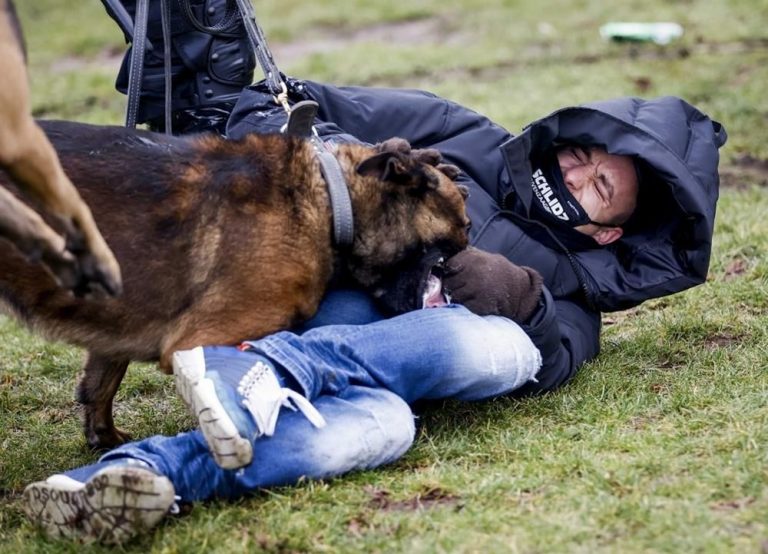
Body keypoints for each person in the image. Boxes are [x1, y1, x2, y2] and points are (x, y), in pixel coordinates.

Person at [22, 0, 727, 544]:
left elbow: (554, 357)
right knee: (430, 384)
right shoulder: (463, 133)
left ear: (607, 231)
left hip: (363, 380)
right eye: (584, 154)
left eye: (600, 186)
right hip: (295, 301)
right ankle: (260, 375)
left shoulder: (579, 289)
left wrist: (521, 297)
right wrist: (358, 175)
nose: (575, 172)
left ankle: (139, 475)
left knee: (425, 401)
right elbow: (292, 112)